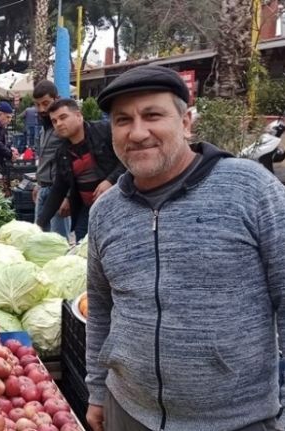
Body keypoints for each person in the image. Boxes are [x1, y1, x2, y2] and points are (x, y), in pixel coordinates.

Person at [85, 64, 285, 431]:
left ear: (187, 123)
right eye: (122, 120)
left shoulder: (250, 190)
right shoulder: (105, 212)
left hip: (235, 421)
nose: (138, 132)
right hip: (127, 412)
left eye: (153, 115)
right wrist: (97, 392)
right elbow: (100, 310)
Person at [35, 99, 122, 242]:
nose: (59, 124)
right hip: (87, 210)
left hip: (116, 206)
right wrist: (39, 223)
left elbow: (127, 161)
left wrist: (110, 181)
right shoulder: (62, 152)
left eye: (63, 117)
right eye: (54, 121)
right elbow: (59, 188)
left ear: (79, 116)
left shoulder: (104, 131)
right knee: (84, 249)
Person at [32, 80, 70, 238]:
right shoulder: (44, 129)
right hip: (42, 189)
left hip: (58, 191)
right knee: (39, 239)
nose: (41, 109)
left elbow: (72, 164)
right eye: (37, 104)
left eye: (46, 103)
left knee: (58, 241)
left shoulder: (64, 128)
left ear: (57, 99)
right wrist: (37, 183)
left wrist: (68, 196)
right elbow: (43, 159)